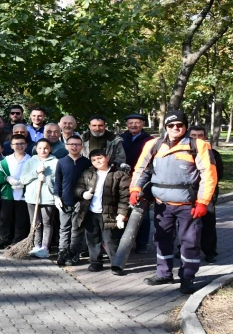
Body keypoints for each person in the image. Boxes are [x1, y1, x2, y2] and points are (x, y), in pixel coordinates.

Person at [131, 111, 217, 293]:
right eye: (171, 125)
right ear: (166, 127)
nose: (175, 128)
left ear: (185, 126)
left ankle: (187, 278)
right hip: (162, 205)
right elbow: (142, 169)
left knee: (190, 242)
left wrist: (203, 202)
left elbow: (208, 174)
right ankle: (164, 273)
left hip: (189, 206)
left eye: (179, 125)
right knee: (161, 239)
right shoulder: (154, 145)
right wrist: (135, 189)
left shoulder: (198, 145)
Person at [76, 149, 130, 273]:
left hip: (109, 213)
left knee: (111, 240)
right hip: (90, 212)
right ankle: (95, 262)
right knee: (93, 239)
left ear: (107, 158)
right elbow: (78, 188)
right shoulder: (87, 173)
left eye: (99, 158)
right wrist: (83, 193)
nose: (97, 161)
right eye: (94, 159)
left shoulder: (119, 175)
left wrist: (122, 214)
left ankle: (116, 264)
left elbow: (124, 196)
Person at [188, 125, 223, 263]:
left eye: (200, 136)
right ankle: (186, 248)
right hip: (188, 192)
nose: (197, 139)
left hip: (207, 192)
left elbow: (217, 174)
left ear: (205, 137)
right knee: (187, 221)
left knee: (207, 222)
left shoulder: (212, 154)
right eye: (193, 136)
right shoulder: (184, 152)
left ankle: (209, 251)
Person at [53, 135, 90, 266]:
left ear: (81, 146)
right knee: (64, 228)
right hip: (64, 200)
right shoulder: (61, 162)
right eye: (71, 144)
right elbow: (57, 181)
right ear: (66, 146)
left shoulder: (86, 162)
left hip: (81, 201)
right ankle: (62, 252)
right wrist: (56, 196)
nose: (74, 147)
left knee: (77, 228)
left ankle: (74, 253)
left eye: (77, 144)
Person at [120, 114, 154, 254]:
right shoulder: (121, 138)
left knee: (142, 213)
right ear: (127, 124)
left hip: (142, 180)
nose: (134, 125)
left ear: (142, 124)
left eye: (137, 123)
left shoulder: (150, 140)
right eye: (131, 123)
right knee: (123, 210)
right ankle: (124, 242)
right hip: (122, 178)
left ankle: (142, 243)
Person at [20, 139, 58, 258]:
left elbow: (58, 182)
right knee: (35, 222)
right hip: (32, 198)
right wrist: (36, 172)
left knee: (47, 222)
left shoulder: (56, 162)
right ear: (36, 149)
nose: (43, 150)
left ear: (50, 149)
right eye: (40, 148)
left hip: (48, 198)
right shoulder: (30, 161)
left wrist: (46, 179)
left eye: (46, 148)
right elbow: (23, 180)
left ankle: (45, 247)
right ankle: (36, 245)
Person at [0, 134, 31, 249]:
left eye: (22, 144)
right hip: (8, 194)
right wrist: (7, 179)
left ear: (26, 145)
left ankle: (18, 241)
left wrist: (24, 182)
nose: (19, 146)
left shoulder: (31, 160)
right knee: (5, 218)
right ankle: (4, 239)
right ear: (11, 146)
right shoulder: (6, 160)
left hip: (24, 195)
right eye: (16, 144)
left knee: (21, 219)